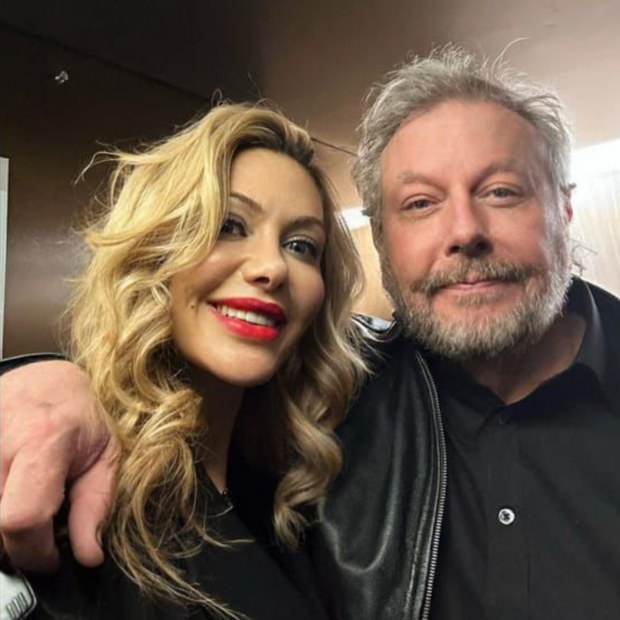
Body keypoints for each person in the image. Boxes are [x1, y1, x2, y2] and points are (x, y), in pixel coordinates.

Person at [3, 46, 620, 619]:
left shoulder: (290, 441)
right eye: (420, 203)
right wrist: (48, 381)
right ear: (383, 240)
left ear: (564, 209)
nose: (464, 230)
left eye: (502, 191)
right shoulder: (333, 409)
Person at [0, 102, 369, 619]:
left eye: (301, 245)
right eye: (230, 225)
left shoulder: (291, 498)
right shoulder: (74, 485)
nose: (272, 267)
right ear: (156, 250)